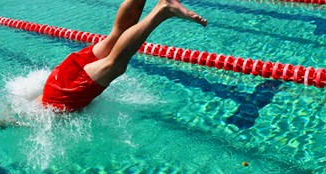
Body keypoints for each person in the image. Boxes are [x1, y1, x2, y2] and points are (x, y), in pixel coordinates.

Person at [37, 0, 207, 112]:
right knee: (115, 36)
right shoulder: (26, 103)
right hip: (57, 79)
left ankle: (163, 10)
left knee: (115, 64)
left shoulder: (26, 117)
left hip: (62, 97)